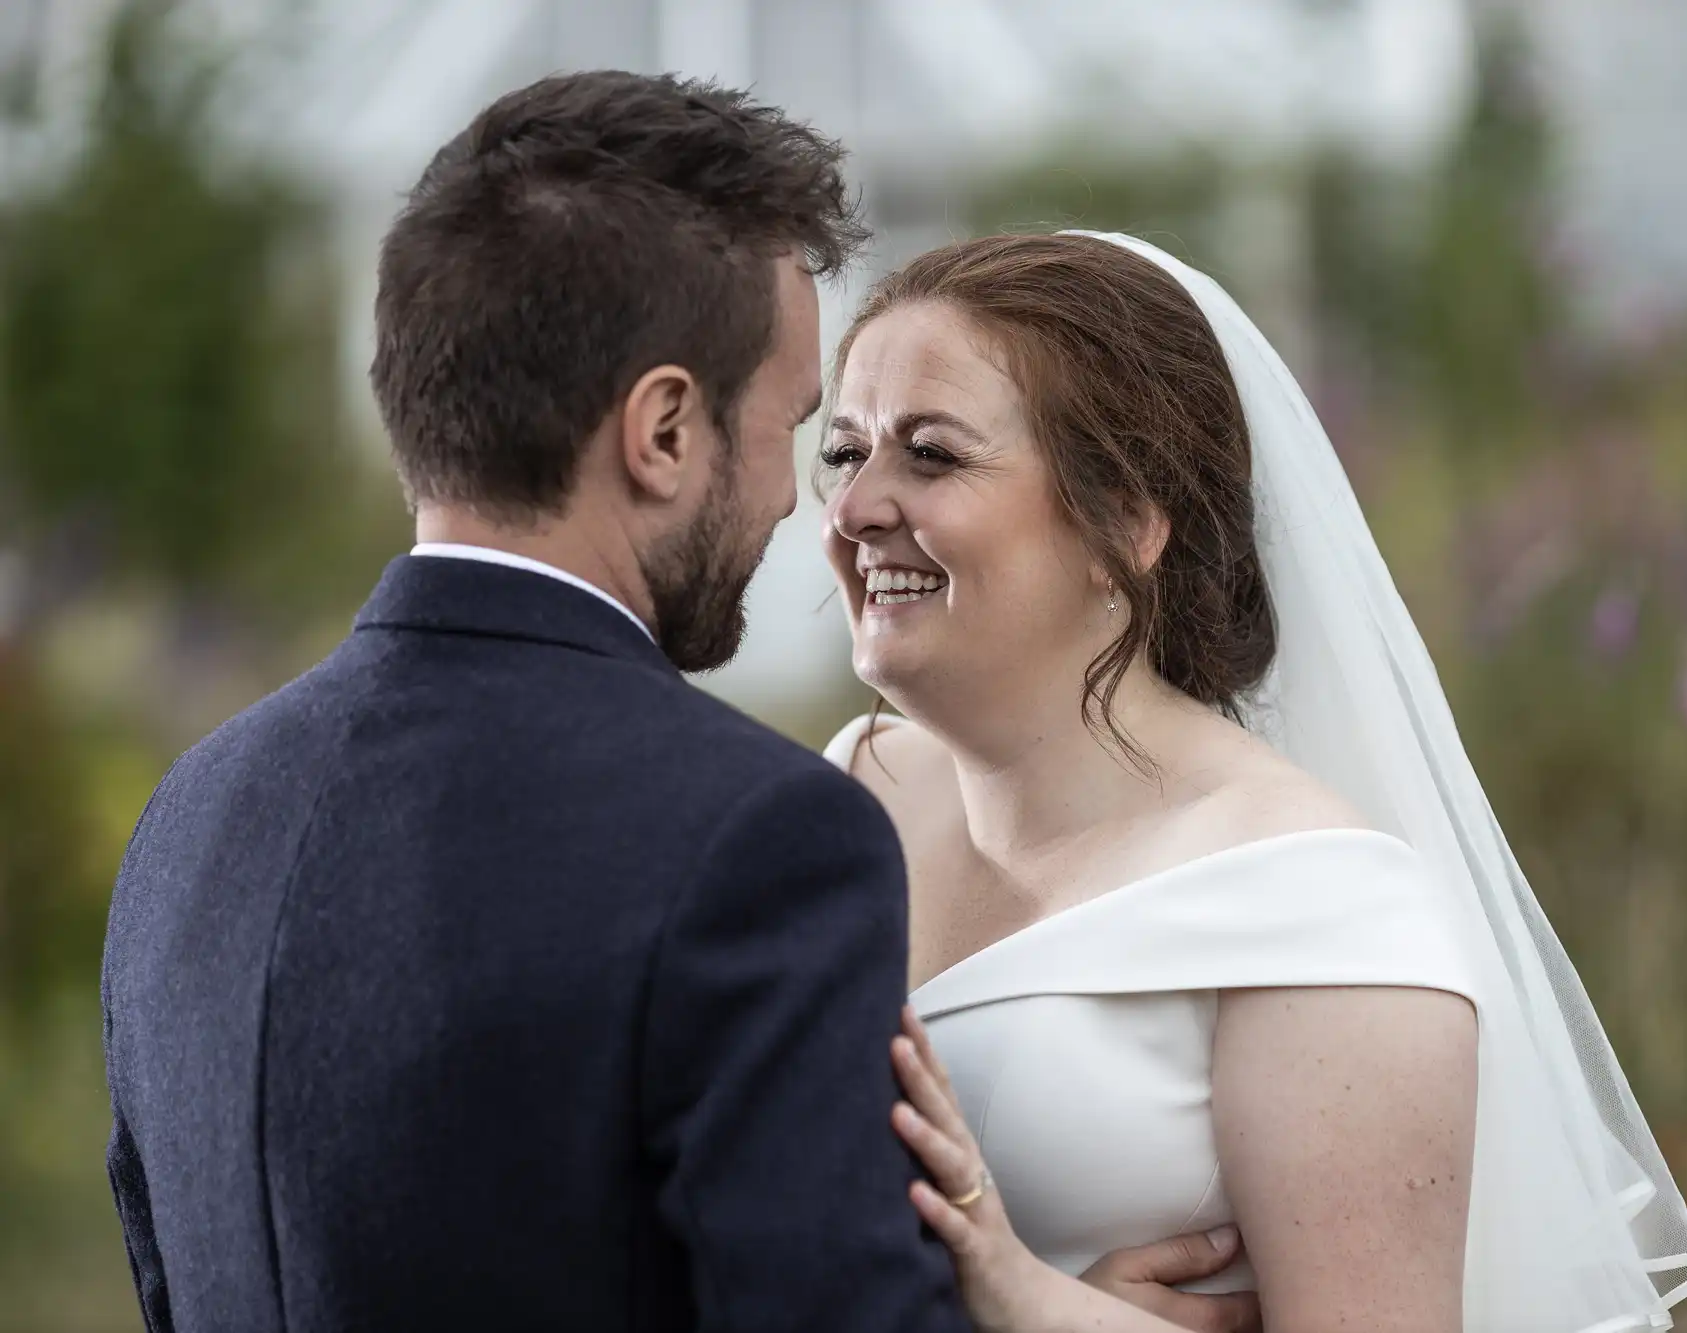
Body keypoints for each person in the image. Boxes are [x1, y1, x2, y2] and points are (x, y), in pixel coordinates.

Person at [98, 74, 1249, 1333]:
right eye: (792, 430)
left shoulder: (189, 826)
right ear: (661, 431)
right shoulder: (760, 841)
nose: (797, 506)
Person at [821, 233, 1687, 1332]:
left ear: (1124, 522)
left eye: (930, 454)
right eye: (842, 453)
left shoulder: (1307, 899)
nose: (855, 509)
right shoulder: (852, 797)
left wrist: (1027, 1301)